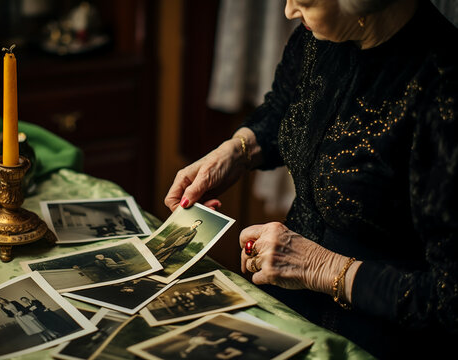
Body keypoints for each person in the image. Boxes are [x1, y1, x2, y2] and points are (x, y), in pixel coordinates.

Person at [164, 0, 457, 358]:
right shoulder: (319, 37)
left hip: (381, 336)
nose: (288, 11)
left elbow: (449, 296)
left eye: (303, 1)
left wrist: (319, 266)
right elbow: (282, 112)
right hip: (287, 303)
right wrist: (235, 152)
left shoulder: (444, 89)